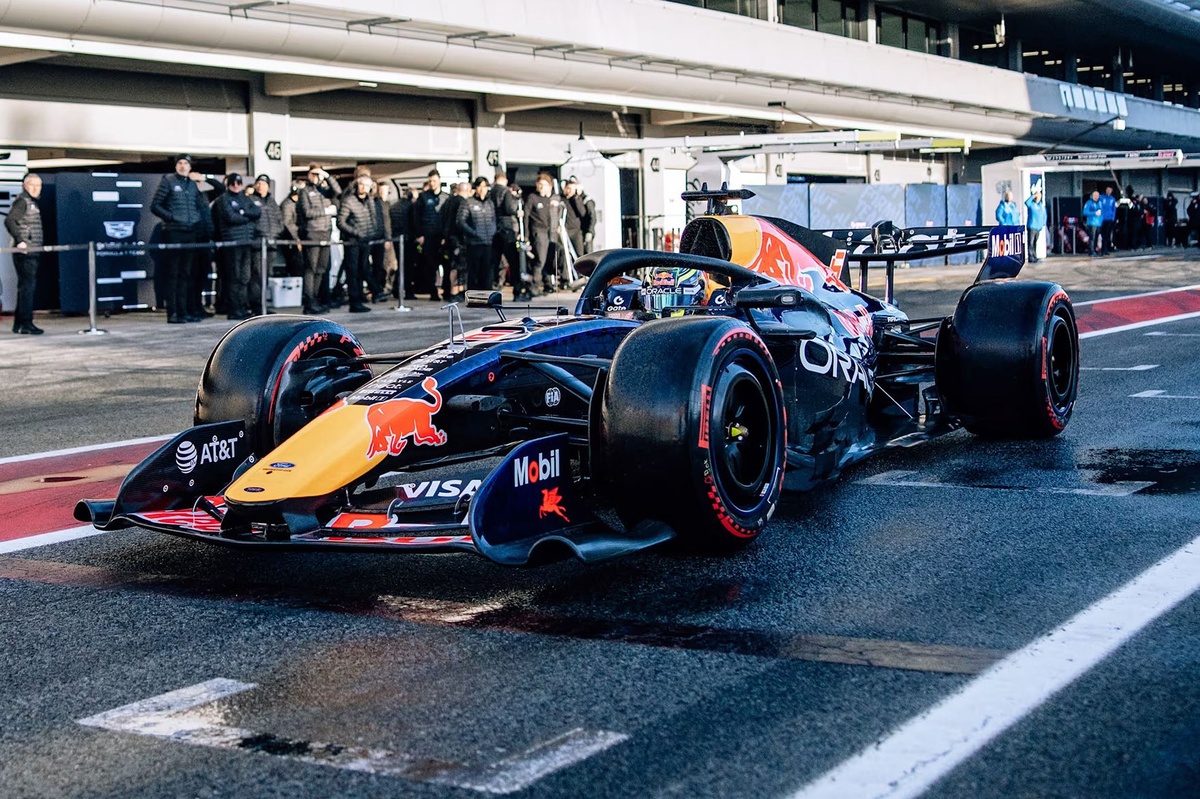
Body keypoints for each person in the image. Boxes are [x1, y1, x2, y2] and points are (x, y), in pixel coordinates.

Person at [150, 154, 212, 324]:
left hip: (191, 233)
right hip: (174, 232)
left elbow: (199, 205)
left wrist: (196, 221)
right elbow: (155, 205)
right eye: (180, 163)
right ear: (176, 165)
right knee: (174, 274)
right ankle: (173, 313)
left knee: (187, 274)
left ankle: (184, 312)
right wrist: (171, 217)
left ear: (190, 167)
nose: (183, 166)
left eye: (186, 163)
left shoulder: (192, 184)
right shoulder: (168, 181)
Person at [212, 173, 262, 320]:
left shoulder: (244, 198)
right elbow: (230, 217)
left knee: (244, 277)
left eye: (239, 183)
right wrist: (248, 217)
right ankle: (234, 309)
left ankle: (242, 306)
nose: (236, 185)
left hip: (246, 242)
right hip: (232, 242)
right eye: (233, 183)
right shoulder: (223, 199)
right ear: (228, 184)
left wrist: (243, 212)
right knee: (233, 277)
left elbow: (257, 212)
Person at [296, 162, 341, 314]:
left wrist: (326, 176)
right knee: (311, 268)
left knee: (321, 268)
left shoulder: (325, 190)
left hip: (325, 232)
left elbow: (338, 191)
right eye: (313, 173)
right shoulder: (305, 192)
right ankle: (309, 301)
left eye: (318, 174)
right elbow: (307, 212)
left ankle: (315, 298)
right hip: (312, 233)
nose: (316, 177)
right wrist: (326, 211)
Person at [4, 172, 44, 334]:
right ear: (25, 186)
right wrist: (21, 240)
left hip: (32, 250)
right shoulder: (23, 201)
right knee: (28, 287)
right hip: (26, 252)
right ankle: (26, 323)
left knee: (25, 287)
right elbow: (9, 220)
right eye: (32, 185)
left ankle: (19, 323)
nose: (36, 189)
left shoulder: (31, 202)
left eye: (38, 185)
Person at [335, 175, 382, 313]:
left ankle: (365, 296)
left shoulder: (370, 201)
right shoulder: (349, 201)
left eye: (367, 186)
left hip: (366, 241)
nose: (364, 188)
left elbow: (373, 219)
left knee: (364, 269)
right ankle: (354, 301)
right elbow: (340, 222)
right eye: (362, 185)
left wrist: (373, 233)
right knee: (353, 271)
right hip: (352, 242)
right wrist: (355, 233)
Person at [524, 174, 564, 294]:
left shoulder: (551, 199)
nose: (541, 187)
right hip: (538, 231)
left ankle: (547, 284)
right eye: (540, 184)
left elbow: (560, 210)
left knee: (549, 258)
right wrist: (526, 235)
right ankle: (534, 286)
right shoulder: (532, 198)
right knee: (540, 259)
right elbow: (526, 216)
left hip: (550, 232)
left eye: (544, 185)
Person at [489, 171, 525, 296]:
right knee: (513, 261)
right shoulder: (506, 191)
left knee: (494, 261)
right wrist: (517, 210)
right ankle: (518, 290)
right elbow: (509, 208)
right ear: (504, 180)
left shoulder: (490, 192)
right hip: (507, 229)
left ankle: (493, 286)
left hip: (493, 229)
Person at [457, 176, 497, 291]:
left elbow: (494, 219)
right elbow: (461, 221)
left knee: (487, 272)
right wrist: (473, 233)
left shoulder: (490, 203)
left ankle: (487, 296)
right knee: (474, 273)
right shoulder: (468, 203)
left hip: (488, 242)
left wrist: (492, 232)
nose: (482, 189)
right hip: (474, 244)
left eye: (484, 186)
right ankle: (474, 297)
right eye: (480, 186)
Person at [413, 169, 446, 301]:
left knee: (445, 265)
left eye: (434, 181)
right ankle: (433, 292)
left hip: (442, 236)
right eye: (430, 181)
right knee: (430, 265)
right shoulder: (423, 197)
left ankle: (446, 290)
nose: (432, 183)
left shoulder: (445, 197)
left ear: (439, 181)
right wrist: (419, 234)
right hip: (428, 235)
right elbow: (416, 217)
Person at [439, 182, 471, 302]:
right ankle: (455, 292)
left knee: (450, 266)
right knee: (458, 267)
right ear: (467, 190)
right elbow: (460, 222)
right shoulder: (462, 202)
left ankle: (450, 291)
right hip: (458, 238)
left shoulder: (448, 201)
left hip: (448, 238)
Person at [250, 174, 283, 281]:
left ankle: (266, 295)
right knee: (257, 272)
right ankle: (256, 297)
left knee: (268, 271)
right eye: (258, 183)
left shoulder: (272, 201)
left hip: (271, 242)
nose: (260, 186)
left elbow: (279, 219)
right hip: (257, 243)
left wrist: (276, 232)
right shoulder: (250, 200)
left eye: (263, 184)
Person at [390, 185, 417, 299]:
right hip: (408, 239)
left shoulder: (394, 206)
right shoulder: (410, 206)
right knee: (408, 266)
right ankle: (407, 291)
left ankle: (396, 289)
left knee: (401, 265)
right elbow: (413, 223)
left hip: (396, 238)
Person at [563, 178, 595, 260]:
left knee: (583, 254)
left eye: (572, 189)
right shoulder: (564, 200)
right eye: (568, 189)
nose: (569, 191)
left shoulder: (584, 200)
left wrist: (590, 231)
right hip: (568, 231)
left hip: (581, 231)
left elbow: (588, 215)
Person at [279, 179, 304, 277]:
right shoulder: (288, 204)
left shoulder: (297, 204)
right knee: (296, 264)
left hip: (296, 237)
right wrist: (296, 239)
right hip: (291, 239)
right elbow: (287, 223)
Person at [1024, 189, 1047, 263]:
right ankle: (1031, 257)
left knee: (1035, 243)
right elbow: (1026, 202)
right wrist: (1033, 195)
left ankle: (1035, 256)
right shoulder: (1031, 204)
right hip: (1032, 226)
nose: (1038, 198)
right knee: (1030, 242)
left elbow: (1044, 215)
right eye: (1037, 196)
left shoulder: (1041, 206)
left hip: (1038, 227)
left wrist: (1043, 224)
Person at [1082, 190, 1103, 257]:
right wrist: (1094, 213)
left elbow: (1102, 212)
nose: (1097, 197)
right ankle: (1091, 251)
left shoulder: (1100, 203)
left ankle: (1095, 250)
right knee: (1092, 238)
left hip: (1098, 223)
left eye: (1098, 196)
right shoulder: (1089, 203)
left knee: (1096, 237)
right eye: (1095, 195)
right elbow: (1085, 212)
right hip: (1091, 223)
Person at [1100, 186, 1118, 254]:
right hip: (1102, 219)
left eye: (1110, 190)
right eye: (1107, 190)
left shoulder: (1112, 199)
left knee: (1107, 235)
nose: (1108, 191)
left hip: (1109, 219)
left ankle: (1105, 249)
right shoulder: (1101, 197)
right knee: (1101, 234)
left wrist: (1113, 217)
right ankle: (1100, 249)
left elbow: (1114, 209)